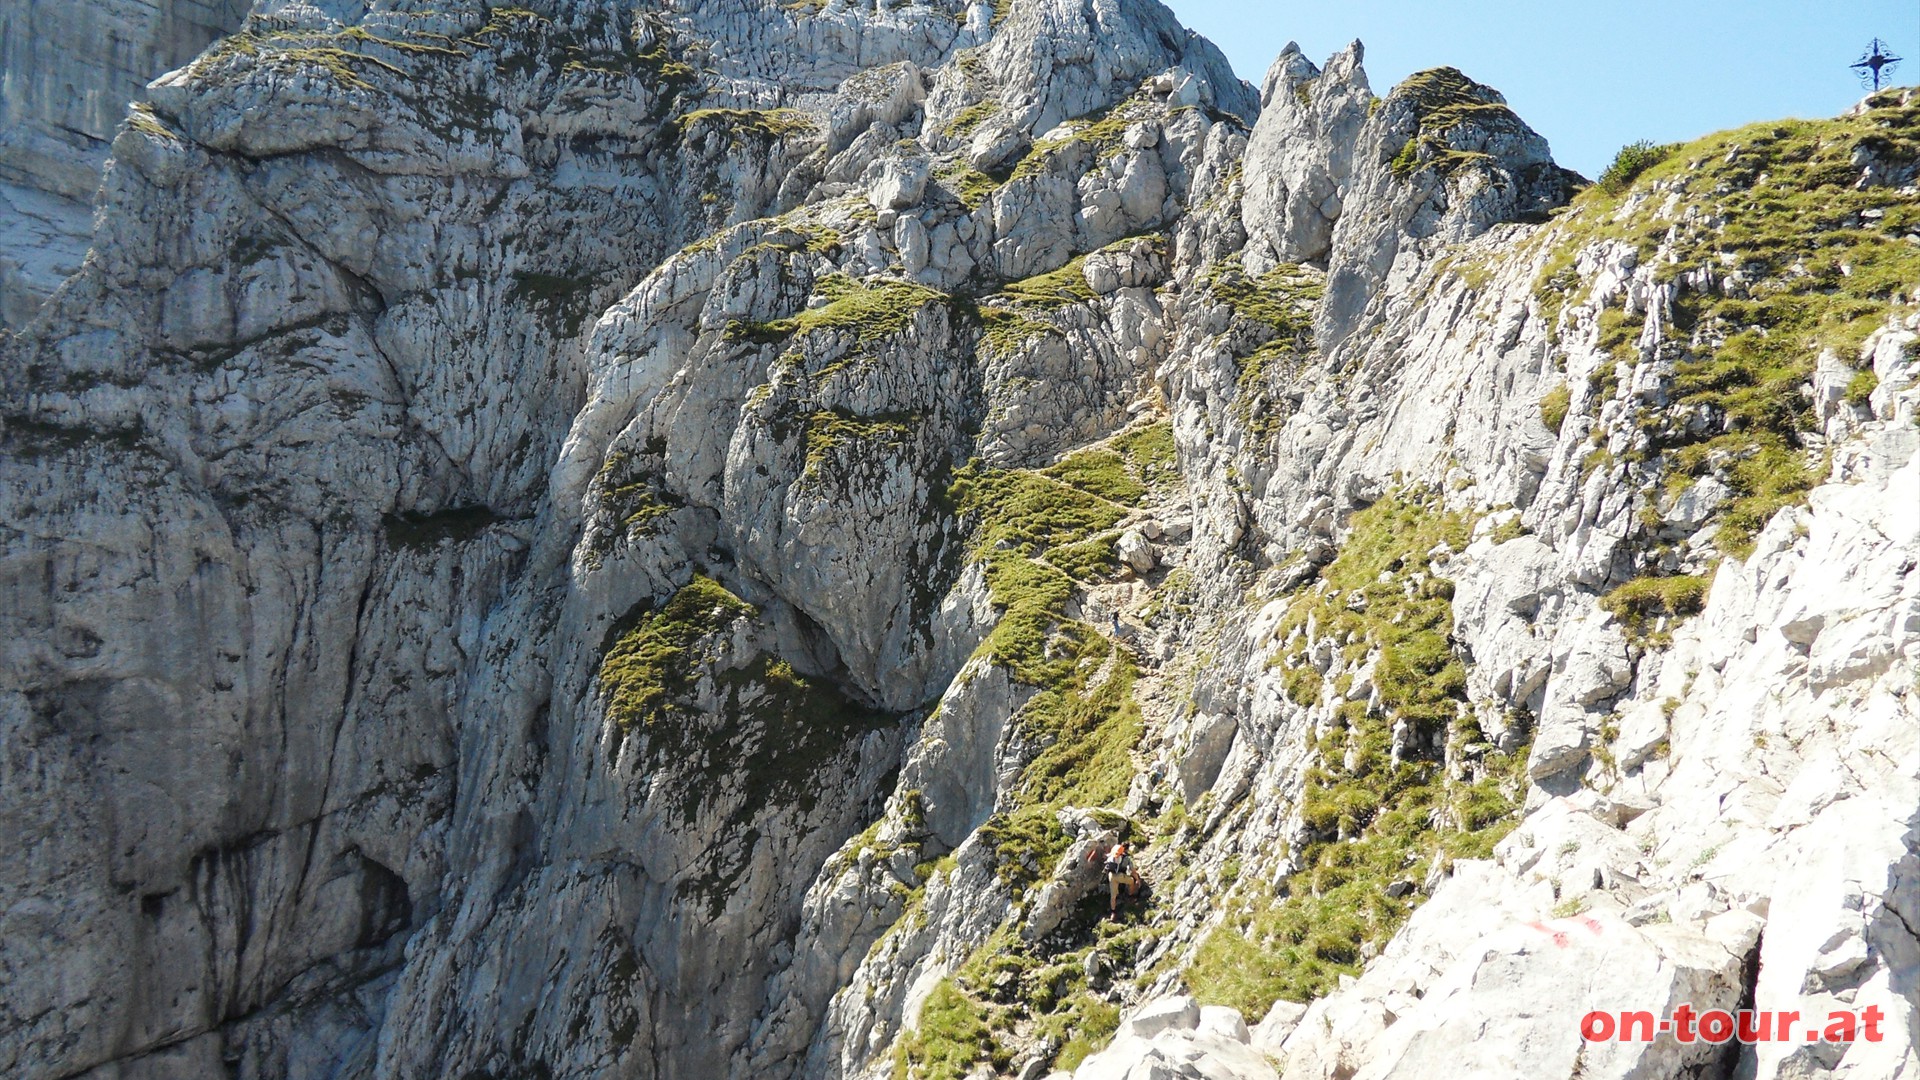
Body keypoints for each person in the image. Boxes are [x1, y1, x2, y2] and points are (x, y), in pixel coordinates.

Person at [1087, 841, 1140, 918]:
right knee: (1132, 881)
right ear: (1127, 849)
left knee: (1113, 896)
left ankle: (1113, 913)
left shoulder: (1112, 854)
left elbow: (1104, 856)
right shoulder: (1127, 858)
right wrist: (1137, 879)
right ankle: (1130, 896)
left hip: (1111, 876)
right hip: (1120, 876)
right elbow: (1133, 871)